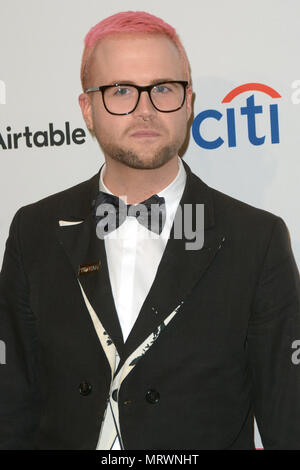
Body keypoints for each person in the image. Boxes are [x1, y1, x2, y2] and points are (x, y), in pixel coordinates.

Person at [1, 10, 300, 451]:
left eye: (163, 88)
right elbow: (12, 404)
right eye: (120, 90)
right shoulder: (34, 230)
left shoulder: (257, 240)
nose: (145, 109)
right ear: (87, 108)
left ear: (189, 101)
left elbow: (287, 418)